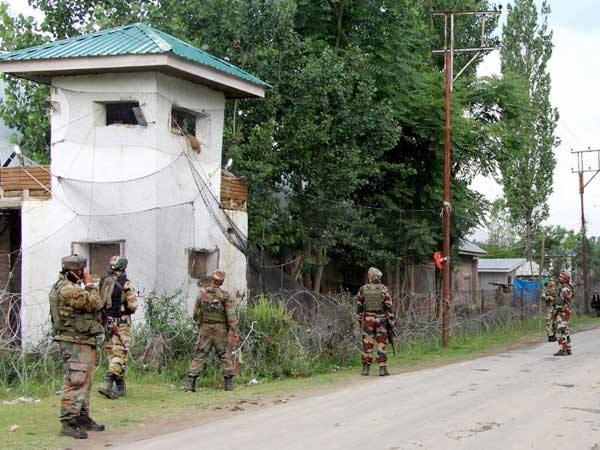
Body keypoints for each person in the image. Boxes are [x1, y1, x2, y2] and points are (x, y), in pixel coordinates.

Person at [49, 255, 105, 439]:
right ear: (75, 270)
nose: (84, 273)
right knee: (76, 380)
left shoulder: (68, 286)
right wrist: (90, 284)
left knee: (85, 380)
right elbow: (95, 302)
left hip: (82, 339)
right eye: (82, 270)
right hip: (74, 341)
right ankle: (68, 422)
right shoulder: (67, 289)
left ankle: (81, 417)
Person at [184, 270, 239, 392]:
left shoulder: (201, 294)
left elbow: (195, 313)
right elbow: (231, 315)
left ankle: (191, 385)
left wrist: (200, 325)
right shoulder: (224, 295)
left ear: (212, 280)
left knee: (200, 354)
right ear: (222, 282)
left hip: (205, 329)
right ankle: (228, 385)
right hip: (220, 331)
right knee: (224, 355)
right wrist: (234, 331)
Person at [98, 256, 138, 399]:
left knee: (111, 353)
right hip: (121, 322)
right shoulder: (126, 284)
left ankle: (120, 386)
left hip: (106, 322)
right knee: (121, 353)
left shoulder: (102, 282)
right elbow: (133, 306)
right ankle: (108, 380)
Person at [356, 267, 395, 376]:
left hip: (368, 319)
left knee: (367, 344)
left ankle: (365, 369)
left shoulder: (363, 289)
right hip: (381, 319)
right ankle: (382, 368)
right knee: (381, 344)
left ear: (370, 276)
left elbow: (359, 307)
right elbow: (389, 307)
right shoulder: (384, 289)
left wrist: (359, 322)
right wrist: (391, 322)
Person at [554, 271, 574, 356]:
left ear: (565, 279)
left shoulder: (564, 289)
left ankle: (563, 350)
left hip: (562, 312)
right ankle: (568, 349)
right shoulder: (569, 288)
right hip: (566, 311)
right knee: (566, 330)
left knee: (560, 330)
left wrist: (555, 312)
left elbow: (560, 302)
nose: (559, 278)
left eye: (561, 277)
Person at [541, 277, 558, 342]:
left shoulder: (557, 289)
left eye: (552, 280)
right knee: (548, 321)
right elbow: (543, 296)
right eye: (550, 280)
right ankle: (550, 336)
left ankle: (554, 335)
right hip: (549, 307)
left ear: (555, 282)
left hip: (556, 307)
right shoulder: (547, 289)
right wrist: (548, 297)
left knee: (555, 322)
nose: (551, 281)